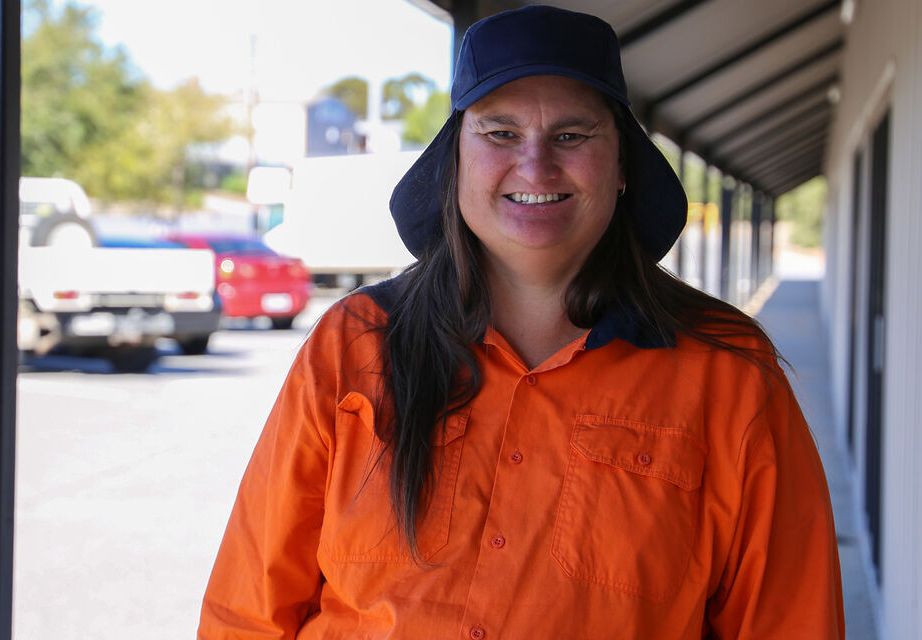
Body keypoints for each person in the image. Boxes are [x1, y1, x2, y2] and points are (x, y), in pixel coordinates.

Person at [198, 5, 844, 639]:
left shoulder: (726, 370)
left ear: (622, 168)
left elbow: (790, 619)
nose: (535, 166)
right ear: (455, 161)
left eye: (572, 135)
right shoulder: (354, 343)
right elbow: (249, 608)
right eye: (500, 133)